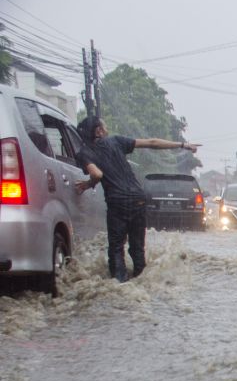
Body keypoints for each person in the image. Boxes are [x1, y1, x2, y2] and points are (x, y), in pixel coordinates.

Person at [74, 117, 201, 282]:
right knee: (137, 248)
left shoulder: (84, 153)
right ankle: (141, 280)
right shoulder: (116, 141)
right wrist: (183, 145)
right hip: (138, 198)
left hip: (117, 202)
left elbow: (97, 174)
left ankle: (119, 285)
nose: (107, 129)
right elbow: (152, 142)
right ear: (98, 131)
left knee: (116, 248)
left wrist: (87, 184)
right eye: (104, 127)